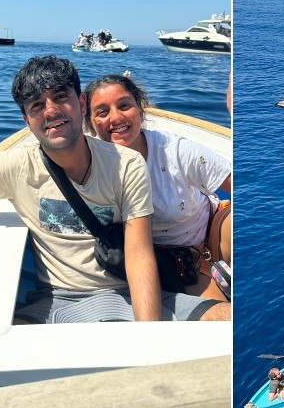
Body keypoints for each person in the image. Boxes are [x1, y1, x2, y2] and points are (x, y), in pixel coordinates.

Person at [0, 55, 229, 324]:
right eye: (37, 105)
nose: (51, 111)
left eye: (60, 97)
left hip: (128, 291)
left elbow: (138, 255)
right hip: (56, 300)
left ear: (80, 103)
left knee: (225, 320)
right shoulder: (14, 166)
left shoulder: (127, 164)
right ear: (27, 120)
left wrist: (146, 338)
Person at [84, 73, 231, 301]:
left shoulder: (175, 151)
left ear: (140, 112)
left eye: (124, 106)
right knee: (219, 317)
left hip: (213, 228)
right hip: (176, 264)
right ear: (91, 125)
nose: (116, 117)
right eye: (102, 112)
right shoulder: (88, 167)